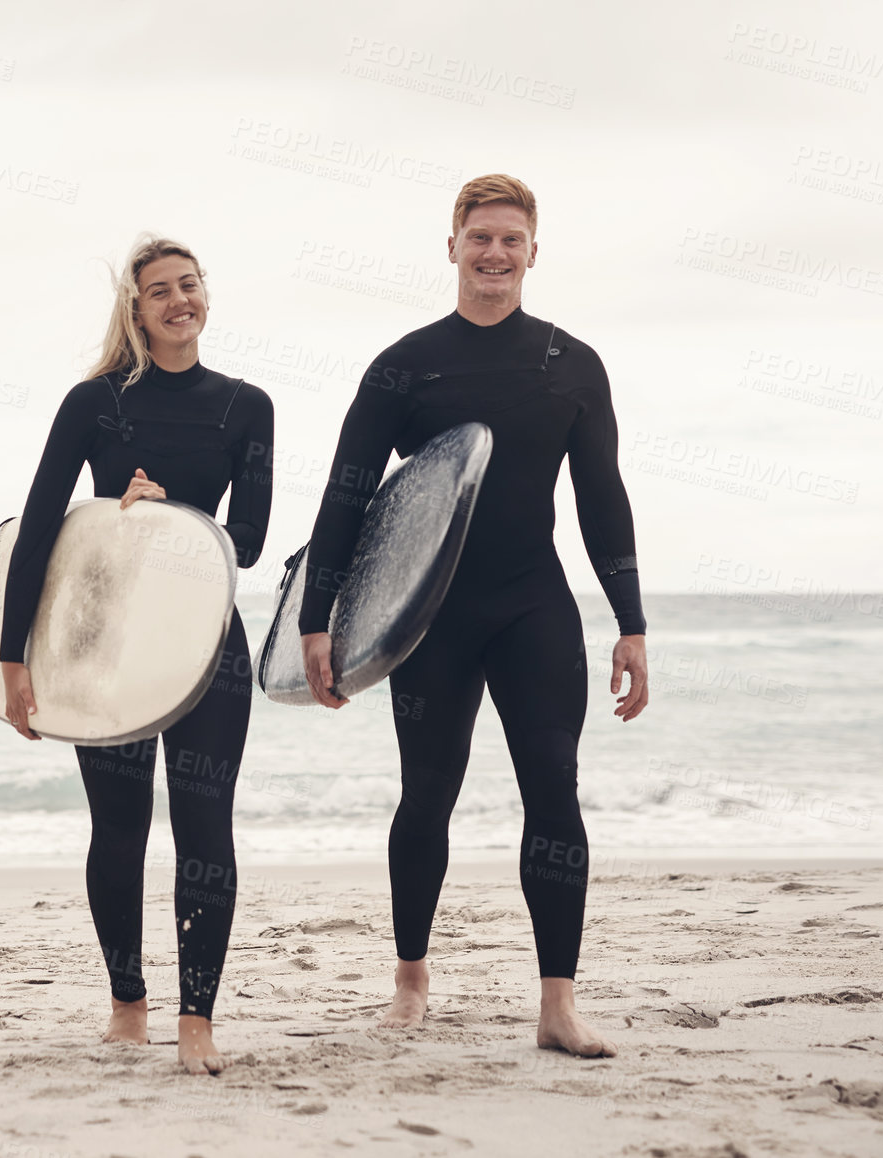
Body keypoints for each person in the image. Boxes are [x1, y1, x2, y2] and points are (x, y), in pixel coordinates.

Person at [298, 174, 649, 1057]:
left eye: (511, 240)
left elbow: (603, 498)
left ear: (534, 251)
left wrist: (632, 621)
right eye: (480, 237)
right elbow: (347, 497)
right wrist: (316, 618)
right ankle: (410, 979)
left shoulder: (571, 364)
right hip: (431, 621)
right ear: (450, 245)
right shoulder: (405, 365)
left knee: (554, 796)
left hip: (534, 607)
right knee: (427, 797)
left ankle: (558, 1005)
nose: (495, 253)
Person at [0, 235, 274, 1075]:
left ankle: (198, 1019)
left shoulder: (245, 406)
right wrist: (14, 656)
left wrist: (170, 517)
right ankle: (128, 1003)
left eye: (189, 285)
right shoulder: (94, 405)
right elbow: (41, 526)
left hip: (205, 650)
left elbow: (252, 544)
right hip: (105, 644)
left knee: (204, 829)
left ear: (205, 296)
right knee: (118, 830)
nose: (177, 300)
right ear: (136, 308)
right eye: (159, 291)